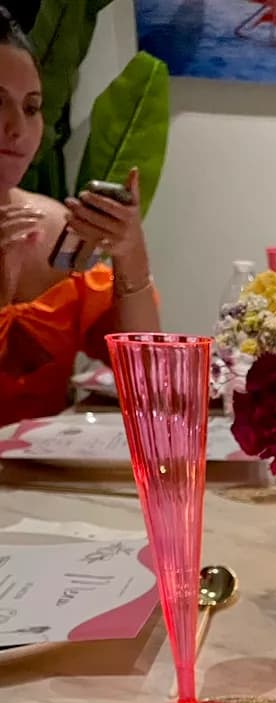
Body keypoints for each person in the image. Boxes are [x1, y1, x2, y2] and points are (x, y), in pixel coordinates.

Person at [0, 6, 159, 426]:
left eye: (31, 107)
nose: (16, 127)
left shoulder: (54, 229)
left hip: (43, 481)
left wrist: (130, 252)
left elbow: (147, 380)